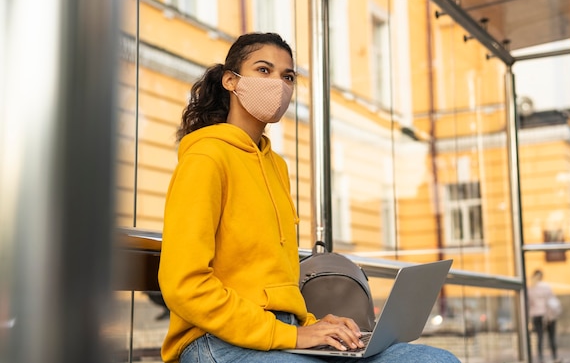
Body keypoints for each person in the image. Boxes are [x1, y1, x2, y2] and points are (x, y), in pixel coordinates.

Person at [158, 32, 461, 363]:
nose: (279, 84)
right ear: (231, 81)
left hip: (286, 335)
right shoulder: (206, 158)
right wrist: (291, 334)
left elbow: (275, 280)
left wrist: (315, 325)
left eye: (288, 76)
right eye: (263, 70)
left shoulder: (277, 167)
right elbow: (184, 285)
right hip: (215, 340)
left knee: (435, 359)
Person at [527, 269, 561, 363]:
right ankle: (554, 357)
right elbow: (551, 301)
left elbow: (530, 304)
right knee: (551, 337)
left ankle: (540, 359)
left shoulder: (531, 288)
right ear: (541, 276)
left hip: (537, 315)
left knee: (540, 338)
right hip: (548, 315)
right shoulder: (546, 286)